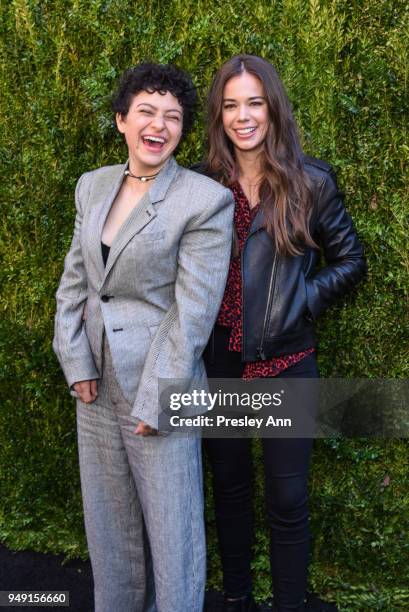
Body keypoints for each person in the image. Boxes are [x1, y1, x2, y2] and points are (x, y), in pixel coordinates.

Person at [53, 62, 234, 612]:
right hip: (96, 388)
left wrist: (159, 399)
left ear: (182, 130)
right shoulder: (94, 185)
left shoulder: (203, 201)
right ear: (121, 121)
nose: (159, 126)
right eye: (147, 113)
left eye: (173, 117)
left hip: (160, 386)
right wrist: (76, 361)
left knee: (173, 532)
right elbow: (76, 282)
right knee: (110, 530)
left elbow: (192, 313)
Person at [199, 54, 366, 612]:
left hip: (286, 362)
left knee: (289, 497)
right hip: (219, 359)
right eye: (230, 105)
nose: (242, 116)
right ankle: (238, 597)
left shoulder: (311, 180)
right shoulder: (202, 186)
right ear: (219, 115)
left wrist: (300, 302)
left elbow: (351, 261)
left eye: (253, 102)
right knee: (229, 489)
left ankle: (289, 604)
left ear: (272, 107)